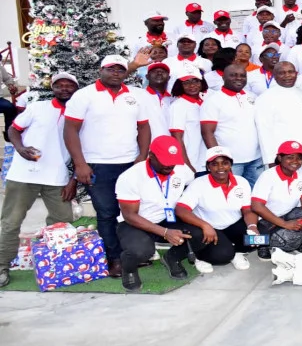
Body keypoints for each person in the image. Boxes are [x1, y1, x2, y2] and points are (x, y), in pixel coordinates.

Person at [64, 56, 152, 278]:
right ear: (101, 70)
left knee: (132, 211)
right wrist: (80, 164)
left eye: (120, 69)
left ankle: (132, 254)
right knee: (106, 213)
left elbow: (143, 128)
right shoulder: (84, 95)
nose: (116, 72)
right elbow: (70, 130)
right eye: (111, 69)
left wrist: (142, 156)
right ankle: (114, 259)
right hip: (98, 165)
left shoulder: (133, 96)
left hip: (130, 163)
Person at [0, 73, 78, 288]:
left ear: (76, 89)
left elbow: (85, 150)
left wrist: (73, 179)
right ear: (52, 88)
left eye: (69, 85)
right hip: (24, 174)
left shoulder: (80, 113)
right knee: (11, 222)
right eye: (59, 85)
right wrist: (20, 148)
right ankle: (2, 265)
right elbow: (13, 129)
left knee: (62, 222)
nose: (64, 89)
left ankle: (52, 261)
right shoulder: (38, 107)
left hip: (57, 177)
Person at [114, 136, 196, 291]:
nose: (170, 165)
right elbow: (129, 215)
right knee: (142, 251)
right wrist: (165, 232)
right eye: (165, 161)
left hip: (167, 217)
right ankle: (129, 268)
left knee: (198, 233)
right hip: (136, 223)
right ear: (151, 156)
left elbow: (192, 184)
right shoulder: (130, 177)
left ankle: (172, 258)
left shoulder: (181, 169)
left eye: (173, 160)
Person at [176, 146, 255, 271]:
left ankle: (238, 252)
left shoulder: (242, 182)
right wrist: (204, 225)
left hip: (232, 225)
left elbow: (247, 210)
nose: (220, 168)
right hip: (209, 229)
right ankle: (199, 256)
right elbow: (180, 209)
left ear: (231, 165)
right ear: (208, 167)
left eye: (225, 163)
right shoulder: (198, 184)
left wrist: (252, 227)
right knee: (223, 255)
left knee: (261, 238)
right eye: (214, 164)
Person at [254, 62, 302, 206]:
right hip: (283, 156)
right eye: (282, 73)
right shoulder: (265, 98)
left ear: (296, 73)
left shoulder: (301, 93)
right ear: (274, 75)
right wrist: (271, 160)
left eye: (290, 72)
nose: (287, 76)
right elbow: (264, 131)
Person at [251, 141, 302, 260]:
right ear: (280, 157)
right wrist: (285, 224)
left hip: (287, 214)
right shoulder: (268, 176)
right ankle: (263, 245)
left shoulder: (301, 173)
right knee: (252, 240)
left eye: (299, 158)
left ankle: (295, 241)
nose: (295, 161)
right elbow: (257, 206)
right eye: (290, 157)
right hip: (265, 221)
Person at [200, 63, 262, 188]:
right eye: (233, 75)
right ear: (223, 77)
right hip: (231, 161)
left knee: (255, 196)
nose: (238, 78)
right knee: (232, 196)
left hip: (256, 158)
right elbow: (207, 133)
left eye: (242, 76)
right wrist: (219, 159)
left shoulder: (253, 97)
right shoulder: (213, 100)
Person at [169, 66, 208, 175]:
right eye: (186, 82)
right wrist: (187, 165)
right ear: (180, 85)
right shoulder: (178, 106)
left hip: (206, 162)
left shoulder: (205, 102)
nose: (192, 86)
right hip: (192, 164)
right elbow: (176, 138)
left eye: (196, 81)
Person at [133, 62, 172, 138]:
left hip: (170, 147)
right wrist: (134, 65)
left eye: (163, 72)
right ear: (147, 76)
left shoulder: (173, 99)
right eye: (155, 71)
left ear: (169, 77)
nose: (159, 73)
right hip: (147, 147)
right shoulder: (137, 94)